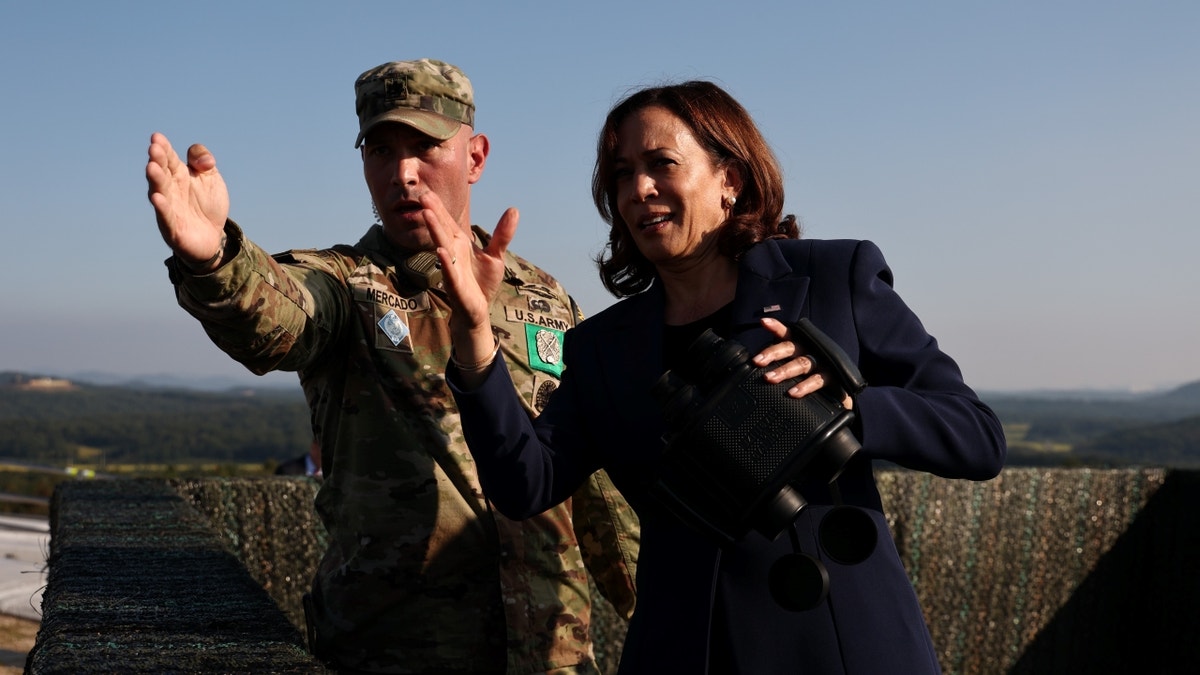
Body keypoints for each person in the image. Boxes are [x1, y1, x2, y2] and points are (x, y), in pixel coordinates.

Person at [431, 80, 1007, 673]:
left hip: (840, 641)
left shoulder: (832, 280)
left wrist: (853, 407)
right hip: (687, 648)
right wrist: (475, 342)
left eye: (662, 164)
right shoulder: (602, 348)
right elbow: (526, 482)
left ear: (729, 180)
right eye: (622, 174)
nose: (639, 190)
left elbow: (978, 437)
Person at [144, 58, 638, 674]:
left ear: (475, 158)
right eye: (381, 150)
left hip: (552, 659)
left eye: (426, 147)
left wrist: (667, 618)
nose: (404, 173)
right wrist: (216, 260)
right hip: (397, 657)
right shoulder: (347, 287)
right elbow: (279, 313)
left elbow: (597, 487)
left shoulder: (545, 298)